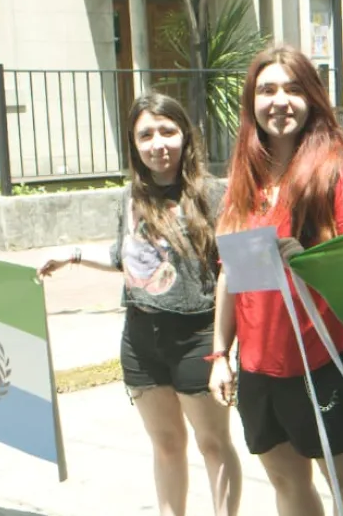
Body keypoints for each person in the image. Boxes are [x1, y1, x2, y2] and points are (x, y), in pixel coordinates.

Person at [40, 92, 242, 516]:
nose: (158, 144)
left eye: (167, 131)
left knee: (213, 444)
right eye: (146, 134)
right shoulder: (132, 196)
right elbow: (126, 259)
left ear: (185, 136)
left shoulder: (214, 193)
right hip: (140, 339)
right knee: (166, 445)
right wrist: (72, 256)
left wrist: (222, 352)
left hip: (197, 337)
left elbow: (231, 272)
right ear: (134, 143)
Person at [209, 45, 343, 516]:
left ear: (312, 99)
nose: (279, 100)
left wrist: (313, 261)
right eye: (267, 89)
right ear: (252, 102)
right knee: (287, 485)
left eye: (292, 88)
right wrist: (220, 354)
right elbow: (230, 273)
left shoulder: (341, 173)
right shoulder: (246, 179)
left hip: (325, 362)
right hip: (259, 369)